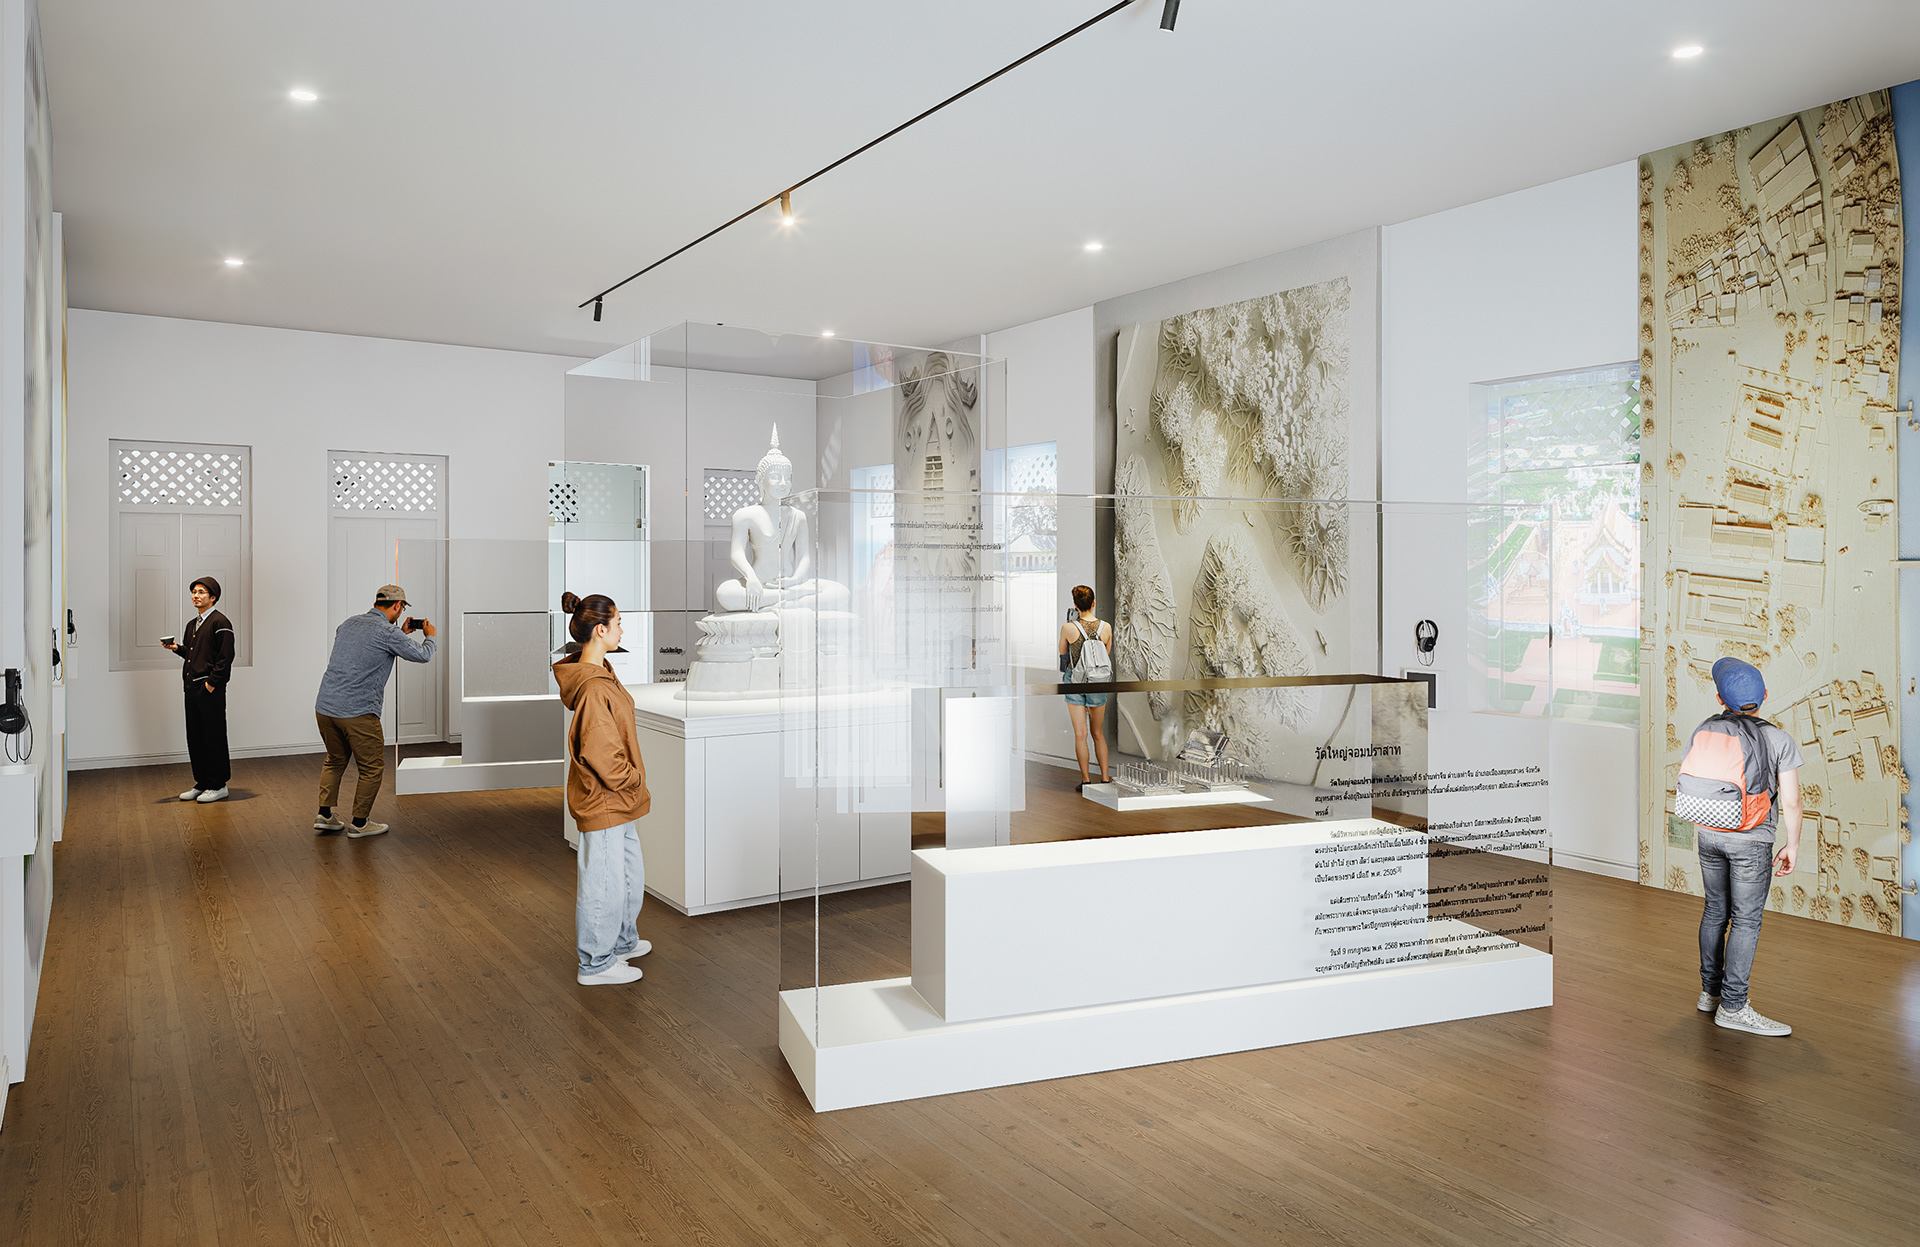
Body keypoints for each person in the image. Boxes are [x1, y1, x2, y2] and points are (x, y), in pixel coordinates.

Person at [1691, 656, 1802, 1037]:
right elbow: (1792, 802)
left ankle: (1710, 993)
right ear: (1765, 695)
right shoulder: (1778, 739)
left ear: (1720, 699)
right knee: (1746, 920)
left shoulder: (1706, 728)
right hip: (1752, 841)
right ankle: (1734, 1007)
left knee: (1714, 910)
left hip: (1708, 834)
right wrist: (1792, 845)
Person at [552, 592, 652, 986]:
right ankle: (595, 963)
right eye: (618, 623)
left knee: (627, 873)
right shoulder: (594, 687)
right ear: (600, 630)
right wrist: (632, 778)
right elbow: (601, 752)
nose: (622, 630)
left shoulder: (601, 674)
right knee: (604, 882)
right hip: (606, 797)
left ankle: (622, 942)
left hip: (619, 798)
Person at [312, 584, 436, 839]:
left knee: (335, 759)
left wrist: (400, 633)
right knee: (372, 767)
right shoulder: (388, 632)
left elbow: (366, 649)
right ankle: (360, 823)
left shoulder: (348, 623)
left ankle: (324, 815)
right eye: (402, 609)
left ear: (376, 603)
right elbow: (423, 654)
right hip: (357, 712)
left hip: (325, 707)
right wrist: (430, 635)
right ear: (398, 606)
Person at [164, 576, 235, 803]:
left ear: (213, 597)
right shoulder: (191, 624)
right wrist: (177, 648)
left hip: (209, 690)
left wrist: (212, 683)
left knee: (213, 735)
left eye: (201, 592)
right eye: (194, 591)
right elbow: (195, 654)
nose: (196, 595)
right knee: (195, 737)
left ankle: (218, 785)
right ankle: (202, 782)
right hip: (191, 688)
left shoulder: (220, 622)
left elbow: (225, 657)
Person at [1058, 584, 1113, 792]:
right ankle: (1105, 779)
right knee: (1098, 733)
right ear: (1094, 602)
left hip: (1075, 681)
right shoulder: (1106, 627)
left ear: (1075, 604)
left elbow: (1063, 652)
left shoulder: (1068, 628)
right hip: (1097, 682)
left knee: (1080, 734)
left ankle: (1086, 781)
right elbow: (1105, 654)